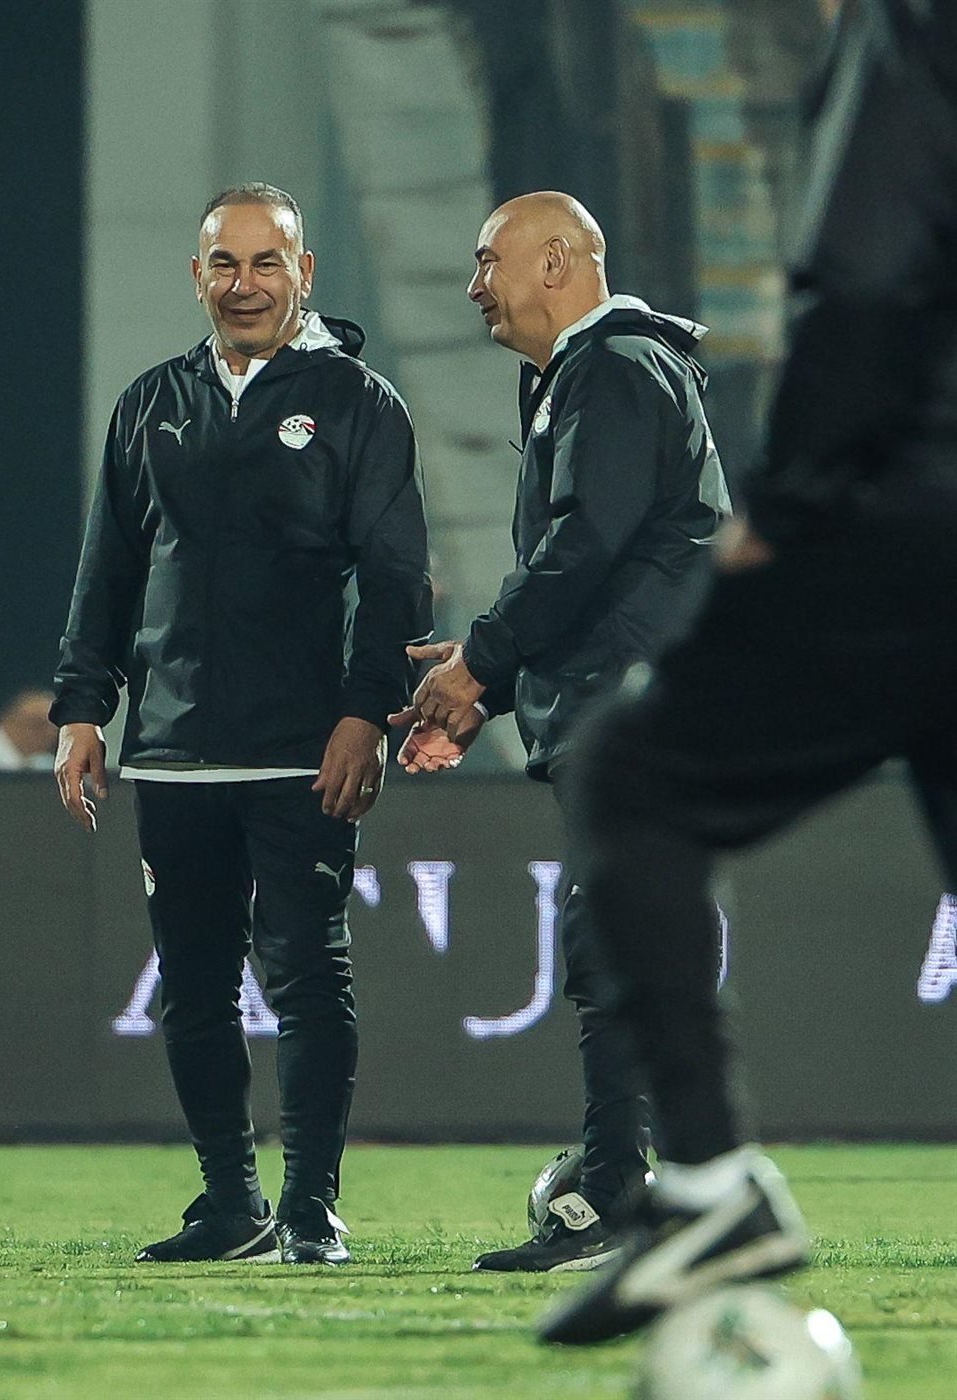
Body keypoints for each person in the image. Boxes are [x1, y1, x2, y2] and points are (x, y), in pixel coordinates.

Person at [540, 0, 957, 1346]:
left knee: (633, 779)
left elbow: (872, 271)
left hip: (908, 522)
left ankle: (713, 1186)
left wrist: (789, 497)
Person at [51, 183, 431, 1266]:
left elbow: (396, 580)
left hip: (303, 747)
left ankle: (309, 1208)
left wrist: (365, 714)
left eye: (268, 262)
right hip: (172, 750)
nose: (246, 283)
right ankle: (230, 1202)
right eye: (226, 262)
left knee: (308, 979)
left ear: (305, 273)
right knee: (194, 988)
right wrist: (82, 708)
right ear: (197, 276)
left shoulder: (358, 402)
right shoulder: (151, 402)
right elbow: (109, 569)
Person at [392, 191, 731, 1272]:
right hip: (633, 697)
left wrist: (480, 664)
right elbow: (604, 570)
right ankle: (640, 1178)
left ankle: (622, 1190)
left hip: (634, 709)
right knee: (624, 938)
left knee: (617, 938)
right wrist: (484, 686)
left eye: (486, 261)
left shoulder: (613, 369)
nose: (473, 286)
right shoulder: (600, 372)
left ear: (555, 264)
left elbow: (585, 546)